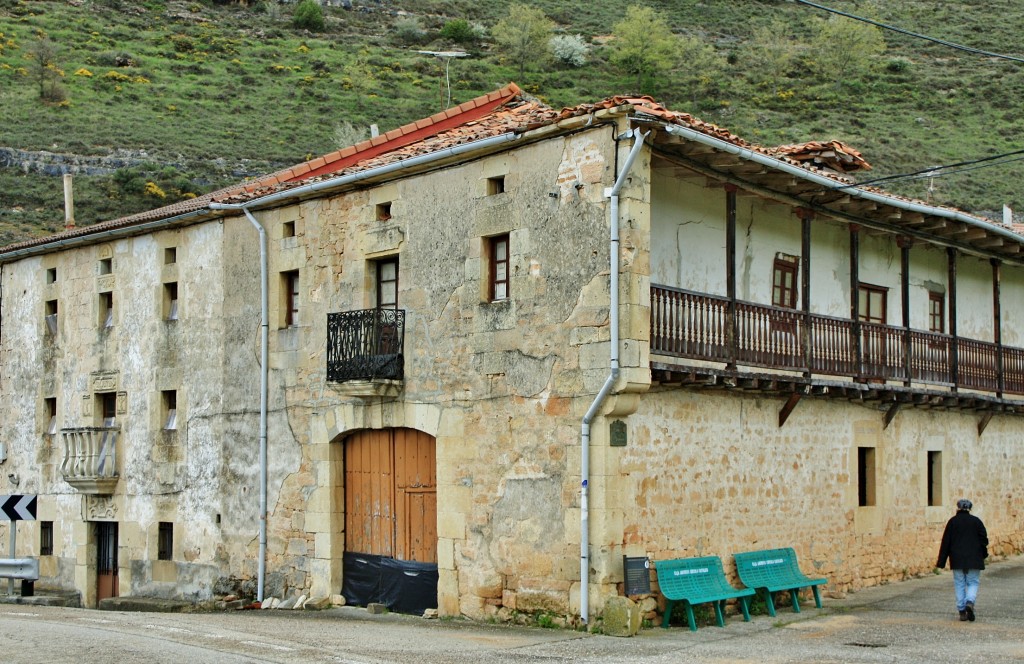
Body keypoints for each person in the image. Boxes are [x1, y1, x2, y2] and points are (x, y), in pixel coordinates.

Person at [936, 498, 989, 622]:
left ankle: (962, 611)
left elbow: (946, 542)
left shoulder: (952, 522)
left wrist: (941, 561)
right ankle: (969, 602)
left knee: (959, 583)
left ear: (958, 508)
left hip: (957, 559)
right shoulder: (977, 522)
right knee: (973, 582)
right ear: (970, 509)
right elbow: (984, 540)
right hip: (974, 559)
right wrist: (983, 554)